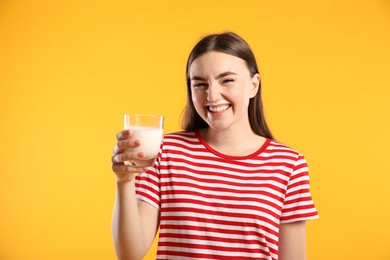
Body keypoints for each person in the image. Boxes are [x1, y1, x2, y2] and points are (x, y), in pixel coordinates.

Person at [111, 32, 318, 260]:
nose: (212, 95)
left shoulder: (289, 164)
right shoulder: (164, 152)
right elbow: (130, 255)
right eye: (199, 84)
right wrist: (124, 182)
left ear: (253, 85)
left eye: (227, 80)